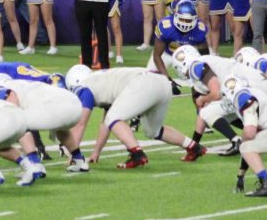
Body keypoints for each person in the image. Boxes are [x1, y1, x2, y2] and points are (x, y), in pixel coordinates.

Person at [66, 63, 204, 168]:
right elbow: (105, 124)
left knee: (114, 118)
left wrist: (74, 154)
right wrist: (96, 153)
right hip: (162, 82)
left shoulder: (83, 86)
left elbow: (81, 124)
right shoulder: (102, 82)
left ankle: (137, 154)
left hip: (144, 82)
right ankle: (193, 147)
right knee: (153, 130)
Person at [171, 46, 267, 159]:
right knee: (218, 113)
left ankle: (236, 141)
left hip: (250, 88)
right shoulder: (206, 63)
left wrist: (203, 99)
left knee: (210, 111)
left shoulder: (196, 66)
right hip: (259, 86)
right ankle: (266, 133)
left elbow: (216, 94)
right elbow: (202, 116)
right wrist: (194, 146)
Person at [0, 71, 83, 182]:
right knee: (61, 127)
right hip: (74, 103)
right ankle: (79, 160)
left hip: (54, 105)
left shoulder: (0, 88)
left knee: (18, 121)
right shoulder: (22, 83)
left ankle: (34, 165)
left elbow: (11, 99)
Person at [149, 0, 209, 79]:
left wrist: (201, 70)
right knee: (150, 75)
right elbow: (157, 56)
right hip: (166, 53)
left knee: (197, 77)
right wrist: (168, 79)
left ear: (195, 19)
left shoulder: (200, 29)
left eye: (188, 20)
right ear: (175, 16)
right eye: (182, 19)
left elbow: (205, 56)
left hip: (187, 56)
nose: (185, 23)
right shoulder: (165, 27)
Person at [106, 0, 124, 64]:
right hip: (100, 0)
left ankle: (119, 55)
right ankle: (108, 51)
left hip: (112, 1)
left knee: (116, 27)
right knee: (102, 27)